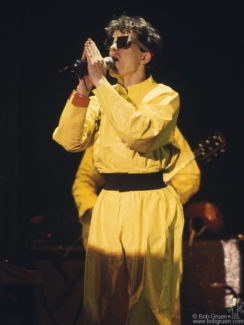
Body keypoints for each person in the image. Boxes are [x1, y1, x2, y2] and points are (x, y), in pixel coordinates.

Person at [53, 14, 187, 325]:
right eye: (111, 42)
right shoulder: (101, 98)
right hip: (109, 201)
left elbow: (140, 135)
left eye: (123, 42)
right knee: (101, 297)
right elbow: (69, 141)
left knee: (151, 300)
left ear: (145, 55)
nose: (113, 47)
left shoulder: (164, 96)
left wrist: (101, 83)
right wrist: (84, 88)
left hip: (150, 200)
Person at [72, 128, 201, 325]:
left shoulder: (163, 118)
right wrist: (94, 212)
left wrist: (167, 198)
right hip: (110, 222)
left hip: (153, 221)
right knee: (111, 298)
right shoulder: (106, 126)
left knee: (156, 294)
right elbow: (84, 180)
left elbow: (190, 175)